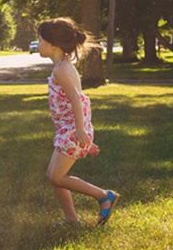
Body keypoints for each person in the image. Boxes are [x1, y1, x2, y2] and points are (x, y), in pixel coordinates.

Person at [38, 17, 119, 226]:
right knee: (54, 175)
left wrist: (81, 131)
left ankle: (104, 195)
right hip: (69, 129)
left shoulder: (61, 70)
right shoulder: (62, 66)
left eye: (40, 39)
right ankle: (72, 219)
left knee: (56, 177)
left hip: (72, 130)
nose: (37, 44)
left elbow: (76, 99)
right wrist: (85, 136)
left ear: (53, 44)